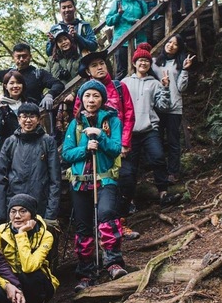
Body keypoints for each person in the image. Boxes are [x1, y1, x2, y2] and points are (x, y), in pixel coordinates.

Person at [63, 80, 127, 292]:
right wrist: (85, 147)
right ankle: (85, 273)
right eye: (88, 96)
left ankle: (113, 262)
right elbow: (66, 153)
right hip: (81, 183)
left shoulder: (112, 121)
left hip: (105, 179)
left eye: (96, 96)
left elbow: (117, 148)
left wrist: (102, 139)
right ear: (82, 99)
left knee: (107, 213)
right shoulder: (76, 124)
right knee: (83, 227)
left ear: (102, 98)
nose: (91, 100)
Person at [73, 49, 137, 239]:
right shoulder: (84, 93)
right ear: (88, 72)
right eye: (94, 65)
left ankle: (120, 222)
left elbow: (129, 114)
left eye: (101, 63)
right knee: (100, 186)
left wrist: (124, 143)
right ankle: (103, 228)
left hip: (118, 146)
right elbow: (78, 120)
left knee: (126, 179)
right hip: (95, 150)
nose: (99, 67)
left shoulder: (119, 87)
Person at [120, 48, 182, 214]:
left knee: (158, 157)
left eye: (146, 60)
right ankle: (129, 201)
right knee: (130, 168)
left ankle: (163, 194)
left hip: (149, 129)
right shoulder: (124, 82)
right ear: (134, 63)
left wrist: (166, 88)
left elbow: (163, 106)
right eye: (140, 60)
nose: (143, 63)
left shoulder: (154, 83)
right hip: (130, 132)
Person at [0, 194, 59, 303]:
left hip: (36, 281)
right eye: (13, 211)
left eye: (23, 211)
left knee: (30, 275)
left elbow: (29, 266)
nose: (17, 216)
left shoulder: (45, 235)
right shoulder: (2, 231)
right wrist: (7, 285)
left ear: (32, 215)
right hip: (10, 278)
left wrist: (21, 233)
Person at [0, 103, 61, 225]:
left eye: (32, 117)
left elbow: (55, 179)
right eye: (24, 116)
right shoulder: (10, 142)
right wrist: (1, 213)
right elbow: (0, 178)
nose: (28, 120)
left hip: (40, 203)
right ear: (18, 119)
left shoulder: (48, 142)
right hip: (14, 204)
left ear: (38, 119)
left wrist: (50, 213)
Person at [0, 35, 63, 110]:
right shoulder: (9, 75)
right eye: (18, 56)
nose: (21, 59)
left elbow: (58, 84)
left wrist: (50, 95)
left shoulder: (39, 74)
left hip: (34, 115)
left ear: (30, 57)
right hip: (13, 117)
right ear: (13, 58)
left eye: (24, 56)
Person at [152, 35, 195, 182]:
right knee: (156, 142)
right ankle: (159, 174)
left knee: (173, 142)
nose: (171, 45)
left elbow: (182, 87)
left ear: (179, 48)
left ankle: (173, 173)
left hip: (174, 108)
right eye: (169, 42)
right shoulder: (154, 63)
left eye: (175, 44)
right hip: (157, 107)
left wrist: (185, 70)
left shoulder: (180, 63)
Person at [105, 0, 149, 80]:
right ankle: (118, 93)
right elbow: (108, 21)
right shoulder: (117, 3)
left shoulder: (141, 4)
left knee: (139, 70)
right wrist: (119, 14)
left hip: (138, 41)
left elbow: (147, 20)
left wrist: (140, 23)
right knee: (121, 70)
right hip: (121, 41)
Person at [0, 70, 31, 171]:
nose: (15, 86)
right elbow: (0, 130)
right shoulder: (0, 104)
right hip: (7, 148)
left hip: (27, 146)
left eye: (18, 83)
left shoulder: (28, 103)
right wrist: (4, 112)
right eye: (11, 83)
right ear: (5, 86)